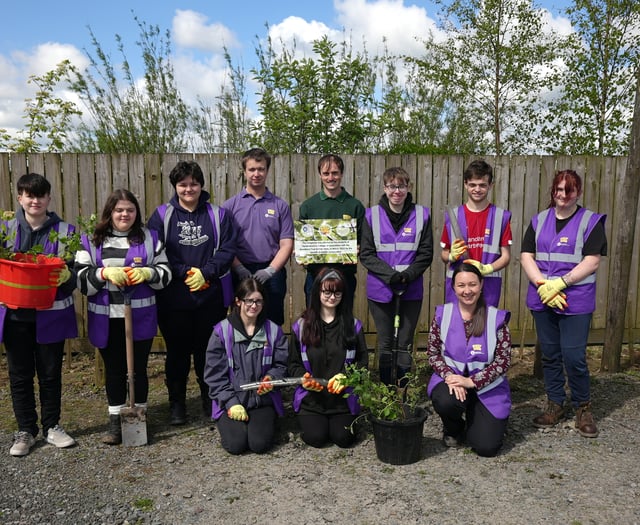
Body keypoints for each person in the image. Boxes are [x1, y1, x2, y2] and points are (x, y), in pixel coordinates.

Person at [76, 189, 171, 445]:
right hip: (107, 318)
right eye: (119, 210)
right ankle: (115, 423)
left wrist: (149, 274)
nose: (125, 214)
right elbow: (81, 281)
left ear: (136, 212)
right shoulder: (91, 240)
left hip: (139, 316)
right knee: (115, 370)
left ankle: (140, 415)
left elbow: (166, 273)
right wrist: (103, 274)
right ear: (110, 212)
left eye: (130, 210)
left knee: (138, 369)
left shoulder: (150, 239)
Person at [148, 160, 236, 425]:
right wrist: (187, 272)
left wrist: (206, 272)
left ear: (201, 185)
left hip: (210, 297)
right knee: (176, 353)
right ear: (175, 187)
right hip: (173, 298)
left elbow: (228, 248)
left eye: (194, 184)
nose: (189, 189)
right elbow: (156, 250)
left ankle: (210, 398)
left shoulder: (218, 215)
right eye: (183, 184)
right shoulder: (162, 215)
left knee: (206, 351)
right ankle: (177, 404)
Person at [520, 170, 607, 438]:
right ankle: (555, 403)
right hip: (543, 297)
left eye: (568, 191)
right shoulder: (539, 220)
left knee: (574, 356)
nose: (562, 195)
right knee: (550, 354)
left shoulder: (590, 222)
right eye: (558, 190)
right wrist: (542, 285)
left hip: (574, 300)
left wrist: (561, 283)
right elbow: (526, 255)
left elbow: (592, 260)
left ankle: (583, 407)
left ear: (577, 192)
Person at [0, 173, 78, 456]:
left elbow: (75, 279)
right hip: (15, 315)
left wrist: (68, 277)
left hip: (51, 314)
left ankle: (52, 426)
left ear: (48, 198)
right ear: (19, 197)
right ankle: (25, 430)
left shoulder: (67, 233)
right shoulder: (4, 231)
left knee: (50, 373)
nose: (35, 200)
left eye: (40, 195)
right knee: (19, 375)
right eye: (28, 195)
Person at [427, 262, 512, 457]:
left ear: (481, 285)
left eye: (472, 284)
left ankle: (482, 417)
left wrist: (472, 381)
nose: (467, 291)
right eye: (461, 285)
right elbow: (433, 353)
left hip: (487, 387)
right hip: (453, 383)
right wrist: (449, 376)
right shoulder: (442, 315)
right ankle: (454, 428)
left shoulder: (496, 318)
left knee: (486, 447)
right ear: (454, 287)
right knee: (445, 400)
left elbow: (503, 361)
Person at [359, 167, 433, 386]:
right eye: (392, 186)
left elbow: (426, 253)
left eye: (401, 186)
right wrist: (390, 276)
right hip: (380, 288)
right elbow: (367, 253)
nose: (397, 191)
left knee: (405, 341)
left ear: (408, 187)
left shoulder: (422, 215)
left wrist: (408, 274)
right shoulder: (370, 215)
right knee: (385, 341)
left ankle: (402, 388)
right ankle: (386, 388)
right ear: (385, 188)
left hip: (411, 288)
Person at [204, 278, 288, 454]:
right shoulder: (221, 332)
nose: (254, 305)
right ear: (238, 301)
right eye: (249, 300)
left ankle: (267, 422)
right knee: (236, 445)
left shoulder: (273, 331)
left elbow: (281, 364)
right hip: (231, 400)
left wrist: (272, 378)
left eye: (258, 301)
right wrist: (231, 402)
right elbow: (214, 376)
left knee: (259, 445)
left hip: (262, 401)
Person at [288, 267, 368, 448]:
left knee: (343, 438)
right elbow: (292, 364)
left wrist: (348, 377)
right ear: (317, 292)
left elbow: (362, 363)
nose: (332, 297)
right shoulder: (301, 327)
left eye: (337, 292)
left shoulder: (353, 326)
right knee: (316, 438)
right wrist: (304, 378)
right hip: (312, 400)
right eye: (327, 292)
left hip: (343, 400)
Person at [222, 148, 294, 326]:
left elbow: (286, 244)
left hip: (272, 272)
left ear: (267, 171)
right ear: (244, 171)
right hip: (239, 271)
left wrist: (269, 271)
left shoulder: (280, 206)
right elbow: (224, 244)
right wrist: (238, 268)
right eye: (252, 169)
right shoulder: (230, 206)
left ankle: (273, 354)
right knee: (241, 321)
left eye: (261, 169)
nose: (256, 173)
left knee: (273, 321)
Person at [441, 160, 512, 307]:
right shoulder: (452, 216)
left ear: (490, 185)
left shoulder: (500, 217)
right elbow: (444, 254)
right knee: (458, 328)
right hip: (459, 286)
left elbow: (506, 257)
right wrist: (451, 256)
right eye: (472, 185)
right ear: (465, 184)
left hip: (489, 286)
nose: (477, 189)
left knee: (486, 328)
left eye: (482, 185)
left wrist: (488, 268)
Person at [298, 154, 365, 307]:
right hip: (315, 276)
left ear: (341, 174)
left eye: (335, 173)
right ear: (320, 175)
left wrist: (358, 249)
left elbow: (363, 241)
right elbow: (304, 239)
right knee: (314, 320)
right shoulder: (308, 206)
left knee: (343, 321)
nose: (330, 177)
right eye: (326, 173)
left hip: (344, 275)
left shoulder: (355, 206)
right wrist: (301, 252)